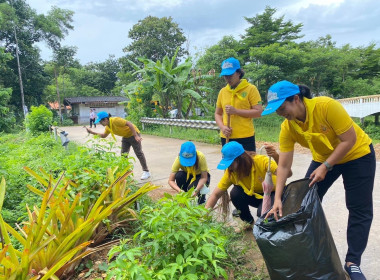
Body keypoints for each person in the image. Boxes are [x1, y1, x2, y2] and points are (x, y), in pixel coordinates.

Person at [262, 80, 376, 280]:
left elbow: (350, 140)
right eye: (277, 111)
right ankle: (310, 253)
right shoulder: (288, 127)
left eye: (282, 108)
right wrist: (278, 197)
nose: (281, 114)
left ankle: (353, 262)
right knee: (304, 202)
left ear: (296, 99)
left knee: (359, 208)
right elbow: (284, 166)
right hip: (323, 158)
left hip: (357, 154)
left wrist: (326, 166)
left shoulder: (326, 106)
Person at [205, 141, 290, 232]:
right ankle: (248, 222)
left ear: (240, 159)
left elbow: (287, 174)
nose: (229, 168)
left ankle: (273, 226)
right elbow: (215, 195)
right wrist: (203, 216)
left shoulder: (261, 161)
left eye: (231, 164)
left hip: (275, 194)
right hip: (256, 196)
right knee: (235, 193)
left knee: (262, 214)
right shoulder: (231, 173)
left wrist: (276, 156)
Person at [215, 57, 263, 152]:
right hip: (227, 136)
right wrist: (222, 127)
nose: (227, 78)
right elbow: (218, 113)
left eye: (230, 75)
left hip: (245, 137)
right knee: (230, 166)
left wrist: (236, 111)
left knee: (248, 165)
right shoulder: (223, 92)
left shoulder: (251, 89)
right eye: (225, 76)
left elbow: (259, 112)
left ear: (239, 73)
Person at [85, 111, 151, 180]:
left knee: (139, 153)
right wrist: (92, 132)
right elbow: (103, 135)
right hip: (125, 136)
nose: (100, 123)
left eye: (101, 122)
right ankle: (126, 172)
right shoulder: (108, 127)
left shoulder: (115, 120)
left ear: (106, 119)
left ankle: (146, 171)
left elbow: (129, 123)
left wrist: (136, 136)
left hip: (133, 134)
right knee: (123, 155)